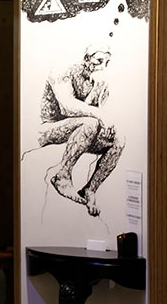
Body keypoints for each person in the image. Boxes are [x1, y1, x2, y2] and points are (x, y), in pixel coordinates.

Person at [38, 44, 124, 216]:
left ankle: (90, 190)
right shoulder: (64, 71)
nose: (102, 67)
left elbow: (96, 110)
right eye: (99, 61)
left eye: (106, 63)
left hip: (79, 127)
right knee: (90, 123)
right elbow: (67, 107)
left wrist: (98, 89)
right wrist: (101, 117)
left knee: (118, 140)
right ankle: (62, 175)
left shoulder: (99, 80)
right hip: (49, 127)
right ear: (87, 59)